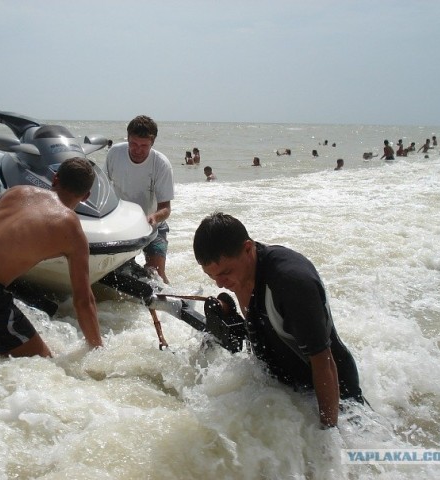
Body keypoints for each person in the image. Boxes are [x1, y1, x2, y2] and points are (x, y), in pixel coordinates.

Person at [193, 213, 364, 428]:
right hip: (285, 392)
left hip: (333, 396)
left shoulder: (291, 283)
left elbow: (323, 361)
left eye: (225, 273)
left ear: (248, 249)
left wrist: (328, 432)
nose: (219, 284)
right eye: (212, 276)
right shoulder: (242, 273)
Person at [0, 158, 104, 358]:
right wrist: (97, 351)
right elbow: (83, 301)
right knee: (43, 366)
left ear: (55, 178)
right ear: (86, 196)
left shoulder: (18, 192)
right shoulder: (71, 228)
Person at [105, 115, 174, 284]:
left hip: (152, 224)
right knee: (119, 275)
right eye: (133, 144)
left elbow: (166, 208)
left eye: (144, 146)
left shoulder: (161, 164)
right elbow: (104, 188)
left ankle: (172, 301)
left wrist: (153, 218)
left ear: (153, 143)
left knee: (156, 275)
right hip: (121, 224)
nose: (138, 150)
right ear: (127, 138)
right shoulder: (114, 153)